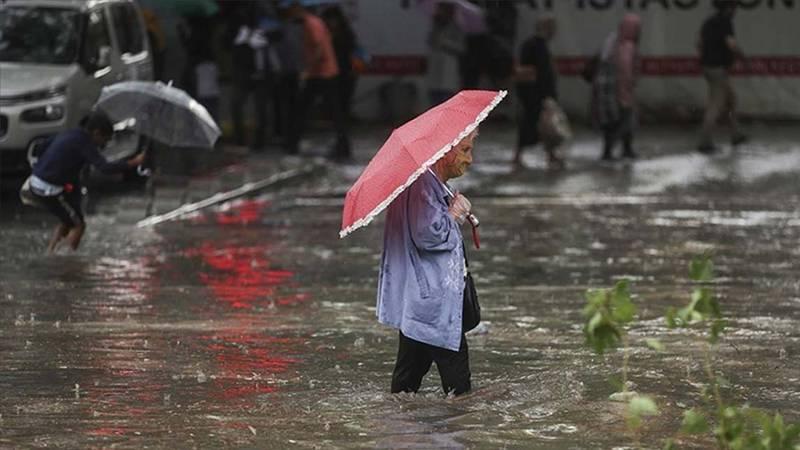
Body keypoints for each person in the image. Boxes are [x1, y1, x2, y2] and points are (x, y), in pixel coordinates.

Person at [378, 131, 478, 396]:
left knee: (404, 389)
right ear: (445, 151)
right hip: (435, 304)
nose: (470, 159)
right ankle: (457, 434)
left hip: (422, 306)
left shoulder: (429, 183)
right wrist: (454, 213)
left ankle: (401, 432)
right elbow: (427, 235)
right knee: (460, 392)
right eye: (465, 150)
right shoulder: (421, 185)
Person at [28, 111, 145, 253]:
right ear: (96, 133)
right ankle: (64, 262)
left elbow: (41, 147)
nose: (105, 145)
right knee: (79, 225)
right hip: (48, 188)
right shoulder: (85, 142)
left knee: (68, 220)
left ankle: (51, 253)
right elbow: (105, 168)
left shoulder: (71, 133)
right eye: (105, 140)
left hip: (36, 180)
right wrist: (133, 162)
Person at [283, 0, 352, 161]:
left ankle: (292, 144)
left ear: (297, 8)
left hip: (321, 73)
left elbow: (320, 48)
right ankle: (343, 147)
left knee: (304, 109)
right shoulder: (313, 23)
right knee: (333, 113)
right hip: (323, 72)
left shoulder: (311, 23)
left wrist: (308, 69)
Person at [697, 0, 748, 154]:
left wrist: (705, 58)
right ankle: (705, 142)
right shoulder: (725, 22)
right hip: (718, 69)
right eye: (734, 7)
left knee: (730, 100)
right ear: (729, 8)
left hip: (709, 67)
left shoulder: (708, 22)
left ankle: (736, 134)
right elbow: (731, 44)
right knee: (716, 105)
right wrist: (743, 58)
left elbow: (698, 43)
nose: (736, 11)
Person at [592, 14, 642, 162]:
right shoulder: (628, 46)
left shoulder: (612, 40)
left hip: (605, 88)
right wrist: (629, 87)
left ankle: (622, 149)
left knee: (614, 121)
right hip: (618, 90)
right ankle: (613, 151)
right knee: (623, 119)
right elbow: (626, 70)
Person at [226, 2, 276, 151]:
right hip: (243, 69)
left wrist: (263, 36)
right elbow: (227, 41)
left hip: (260, 70)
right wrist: (241, 39)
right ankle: (241, 139)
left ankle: (259, 141)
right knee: (238, 105)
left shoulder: (265, 14)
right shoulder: (238, 17)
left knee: (260, 108)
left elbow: (278, 33)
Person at [513, 16, 559, 168]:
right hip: (534, 93)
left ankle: (550, 154)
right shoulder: (535, 46)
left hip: (536, 93)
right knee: (535, 124)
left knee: (543, 125)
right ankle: (520, 155)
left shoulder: (536, 45)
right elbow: (536, 72)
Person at [321, 6, 360, 124]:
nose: (332, 22)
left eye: (334, 19)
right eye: (329, 19)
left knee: (344, 99)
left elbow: (352, 50)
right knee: (332, 100)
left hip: (345, 70)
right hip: (329, 71)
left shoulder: (346, 33)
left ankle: (343, 124)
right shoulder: (324, 33)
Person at [427, 2, 465, 106]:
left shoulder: (456, 27)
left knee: (447, 98)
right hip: (435, 64)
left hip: (449, 64)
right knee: (434, 98)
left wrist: (445, 43)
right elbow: (429, 41)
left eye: (442, 9)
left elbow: (461, 47)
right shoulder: (435, 25)